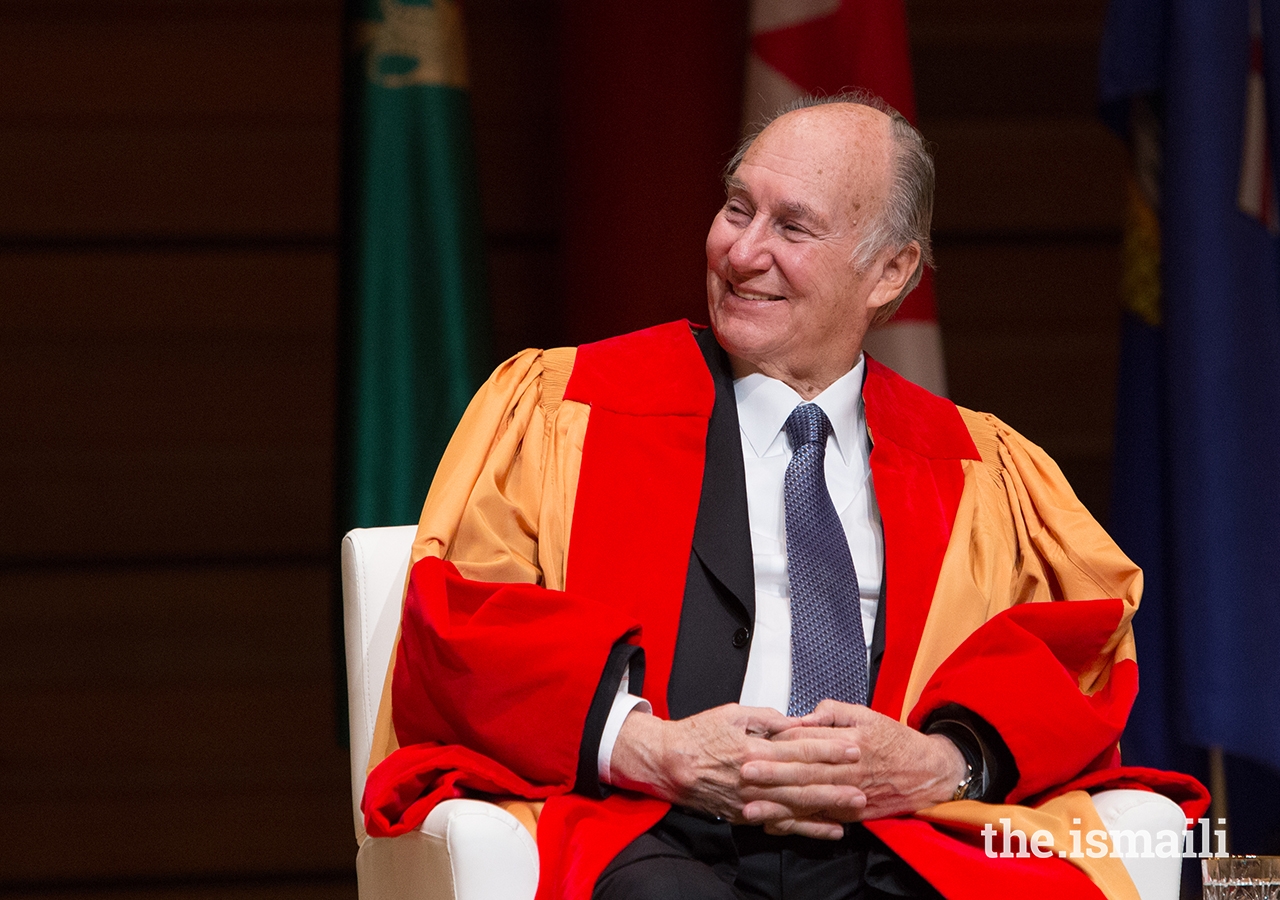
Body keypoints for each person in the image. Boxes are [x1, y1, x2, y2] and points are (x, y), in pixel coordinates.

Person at [360, 94, 1207, 900]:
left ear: (889, 272)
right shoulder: (564, 406)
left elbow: (1073, 653)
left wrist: (941, 761)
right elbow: (467, 623)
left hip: (889, 841)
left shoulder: (980, 468)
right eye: (737, 209)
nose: (741, 252)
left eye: (791, 226)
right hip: (656, 834)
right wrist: (653, 748)